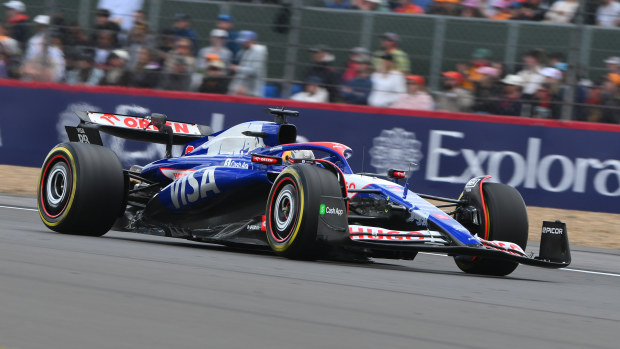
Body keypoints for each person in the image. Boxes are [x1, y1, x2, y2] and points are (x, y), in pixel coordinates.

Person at [228, 30, 267, 97]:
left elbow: (254, 71)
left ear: (251, 40)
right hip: (241, 90)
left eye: (244, 41)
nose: (241, 43)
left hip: (252, 92)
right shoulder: (245, 51)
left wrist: (236, 68)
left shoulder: (259, 50)